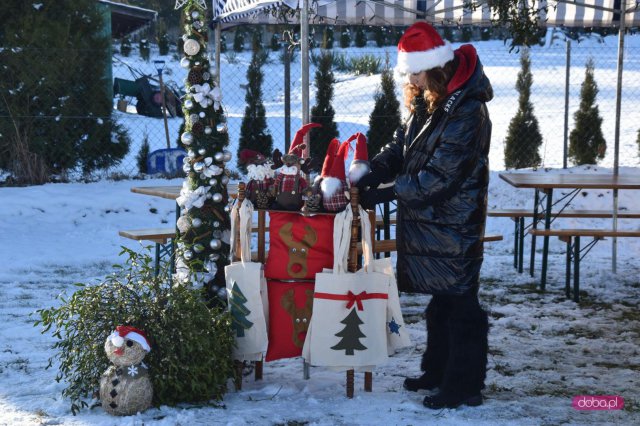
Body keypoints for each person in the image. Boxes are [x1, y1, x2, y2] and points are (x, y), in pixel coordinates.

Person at [357, 21, 493, 409]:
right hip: (434, 224)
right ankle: (437, 372)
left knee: (462, 306)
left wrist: (385, 192)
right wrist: (375, 170)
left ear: (436, 66)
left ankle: (464, 386)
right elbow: (402, 145)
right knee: (442, 304)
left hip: (454, 223)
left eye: (416, 70)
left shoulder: (467, 110)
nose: (411, 79)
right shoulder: (428, 101)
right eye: (408, 72)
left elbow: (440, 178)